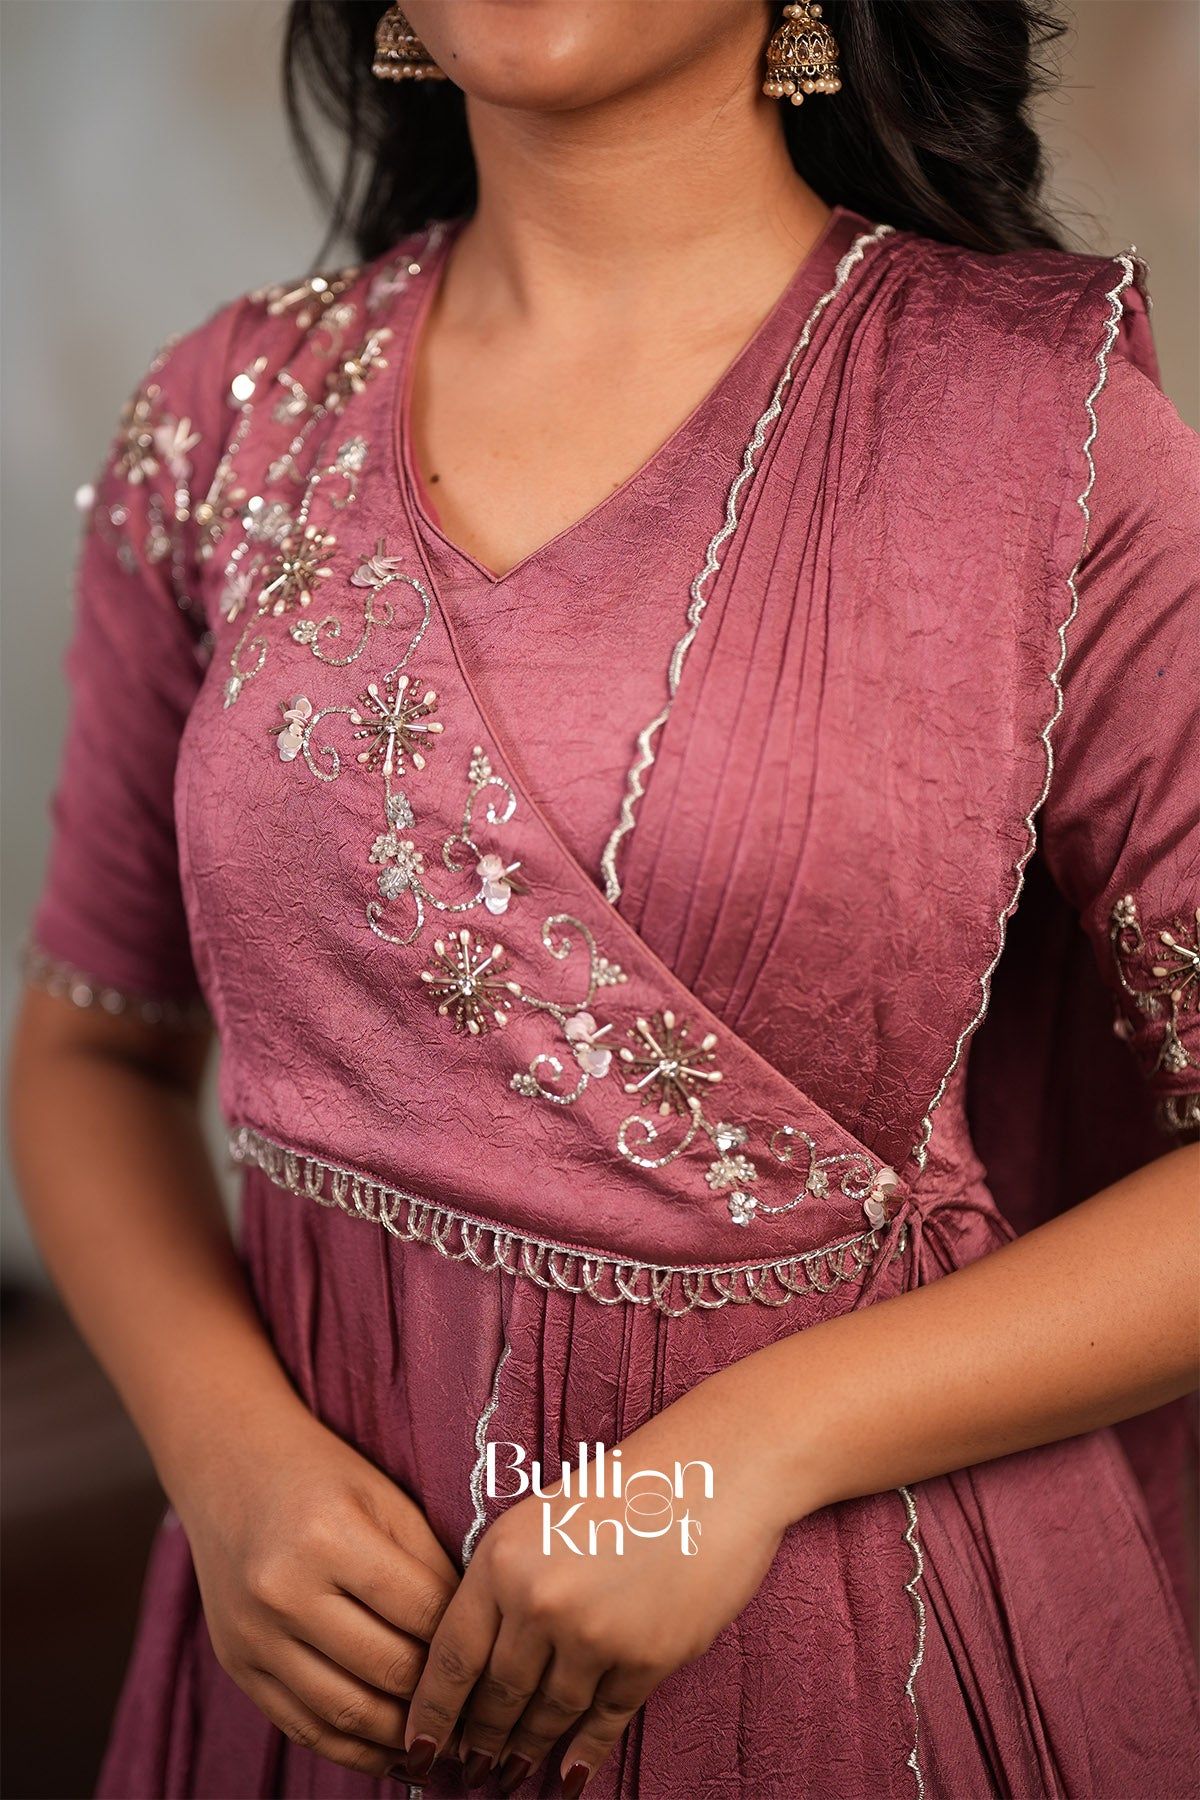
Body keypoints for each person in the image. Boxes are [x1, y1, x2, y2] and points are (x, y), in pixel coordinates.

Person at [8, 3, 1198, 1796]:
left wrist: (744, 1455)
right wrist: (223, 1451)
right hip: (322, 1650)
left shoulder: (1035, 424)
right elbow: (94, 1044)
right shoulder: (228, 421)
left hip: (836, 1644)